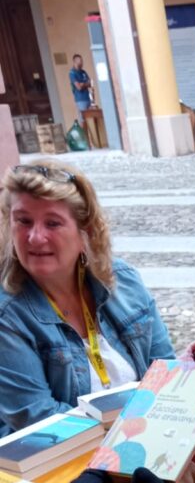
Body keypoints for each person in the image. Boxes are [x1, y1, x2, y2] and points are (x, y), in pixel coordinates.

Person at [0, 161, 174, 443]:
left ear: (86, 233)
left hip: (147, 444)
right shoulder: (7, 315)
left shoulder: (123, 282)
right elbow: (41, 422)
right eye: (23, 221)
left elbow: (166, 372)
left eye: (53, 223)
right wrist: (130, 438)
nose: (35, 236)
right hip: (59, 467)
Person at [69, 54, 92, 123]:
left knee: (90, 119)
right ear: (75, 62)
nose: (82, 63)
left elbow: (90, 83)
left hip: (88, 98)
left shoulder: (83, 72)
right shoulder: (72, 73)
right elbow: (78, 87)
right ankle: (83, 134)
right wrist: (84, 84)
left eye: (82, 61)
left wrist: (83, 84)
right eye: (80, 61)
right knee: (83, 120)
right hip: (80, 100)